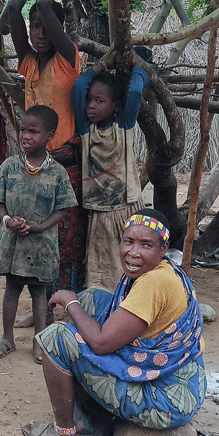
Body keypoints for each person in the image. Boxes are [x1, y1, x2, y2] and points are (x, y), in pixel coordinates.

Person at [23, 208, 206, 436]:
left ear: (163, 249)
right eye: (129, 241)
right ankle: (93, 418)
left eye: (146, 245)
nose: (133, 252)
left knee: (56, 337)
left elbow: (100, 343)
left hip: (166, 402)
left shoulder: (154, 283)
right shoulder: (163, 270)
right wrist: (79, 303)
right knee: (92, 298)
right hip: (182, 386)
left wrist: (69, 302)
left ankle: (63, 434)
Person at [7, 0, 85, 327]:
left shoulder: (69, 60)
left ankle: (62, 307)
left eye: (43, 27)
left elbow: (42, 5)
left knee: (65, 242)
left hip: (63, 165)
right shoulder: (28, 62)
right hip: (30, 169)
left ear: (57, 28)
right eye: (33, 28)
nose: (37, 34)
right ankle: (41, 309)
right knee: (34, 240)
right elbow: (13, 8)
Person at [0, 105, 78, 362]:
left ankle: (39, 341)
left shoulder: (57, 172)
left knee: (39, 293)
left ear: (50, 135)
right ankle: (7, 338)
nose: (26, 136)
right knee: (12, 288)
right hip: (13, 243)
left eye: (33, 132)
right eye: (23, 130)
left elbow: (63, 209)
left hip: (42, 245)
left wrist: (40, 226)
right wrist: (7, 220)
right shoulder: (9, 167)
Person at [72, 49, 149, 289]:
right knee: (104, 270)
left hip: (128, 207)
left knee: (135, 262)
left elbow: (136, 92)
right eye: (90, 101)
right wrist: (103, 64)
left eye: (99, 101)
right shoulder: (86, 129)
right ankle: (107, 310)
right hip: (101, 213)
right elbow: (77, 88)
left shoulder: (124, 127)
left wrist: (139, 67)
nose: (91, 106)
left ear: (116, 106)